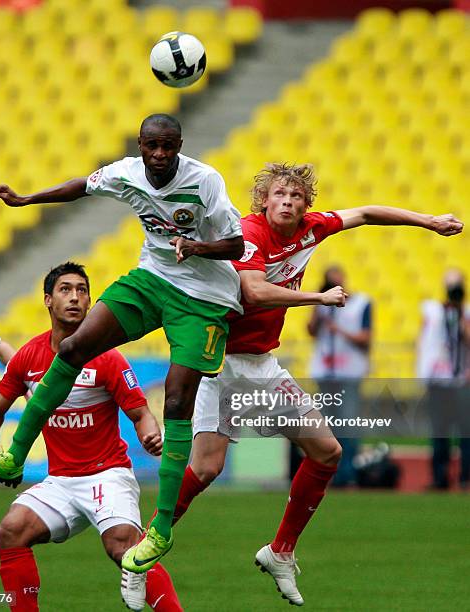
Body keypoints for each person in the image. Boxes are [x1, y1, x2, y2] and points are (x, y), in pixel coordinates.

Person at [169, 162, 463, 606]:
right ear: (264, 202)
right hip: (220, 364)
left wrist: (428, 221)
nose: (287, 202)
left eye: (296, 197)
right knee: (206, 469)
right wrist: (318, 298)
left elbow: (365, 213)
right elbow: (254, 292)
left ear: (307, 205)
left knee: (328, 451)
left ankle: (280, 551)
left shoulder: (313, 228)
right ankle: (150, 536)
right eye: (279, 195)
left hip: (264, 367)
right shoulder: (249, 233)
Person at [0, 113, 245, 572]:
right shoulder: (126, 172)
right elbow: (82, 185)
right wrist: (25, 200)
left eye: (168, 146)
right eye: (151, 146)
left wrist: (197, 248)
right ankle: (13, 457)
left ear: (180, 145)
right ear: (140, 144)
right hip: (153, 279)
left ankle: (160, 529)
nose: (159, 155)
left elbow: (236, 245)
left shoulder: (205, 181)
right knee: (73, 349)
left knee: (177, 399)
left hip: (205, 299)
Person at [0, 262, 182, 612]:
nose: (75, 297)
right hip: (61, 480)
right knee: (10, 531)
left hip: (107, 474)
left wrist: (150, 434)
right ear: (48, 300)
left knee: (124, 548)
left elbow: (140, 412)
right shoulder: (28, 357)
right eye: (66, 290)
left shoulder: (106, 357)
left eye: (82, 290)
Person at [308, 265, 372, 486]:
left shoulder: (361, 303)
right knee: (326, 426)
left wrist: (339, 330)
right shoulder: (322, 305)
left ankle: (348, 475)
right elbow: (311, 331)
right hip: (325, 371)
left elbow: (366, 338)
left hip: (349, 371)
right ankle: (328, 474)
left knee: (348, 423)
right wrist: (318, 303)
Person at [417, 268, 470, 490]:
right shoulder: (433, 310)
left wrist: (461, 317)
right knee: (439, 431)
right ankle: (440, 478)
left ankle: (466, 477)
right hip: (438, 379)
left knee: (465, 431)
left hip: (461, 380)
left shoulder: (466, 313)